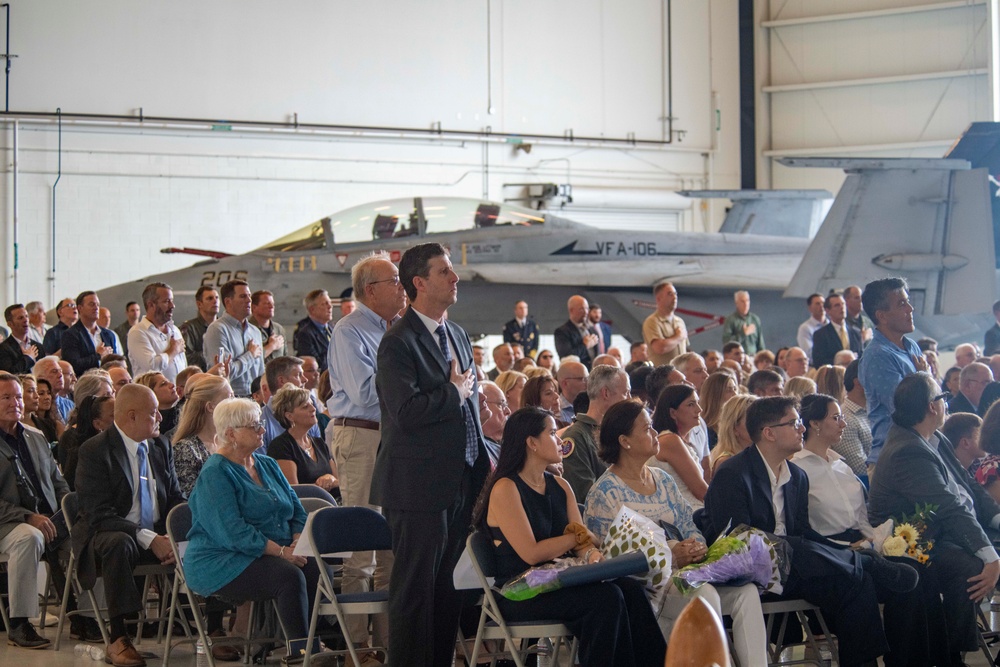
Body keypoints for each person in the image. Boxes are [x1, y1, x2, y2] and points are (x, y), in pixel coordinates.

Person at [703, 396, 916, 667]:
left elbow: (803, 530)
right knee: (795, 547)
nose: (802, 429)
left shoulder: (796, 476)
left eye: (801, 423)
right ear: (769, 433)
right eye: (793, 423)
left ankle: (862, 658)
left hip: (794, 567)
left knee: (855, 581)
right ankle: (864, 562)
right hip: (750, 566)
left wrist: (840, 549)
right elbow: (736, 539)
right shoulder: (734, 472)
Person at [369, 242, 489, 667]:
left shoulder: (455, 333)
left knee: (448, 589)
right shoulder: (397, 342)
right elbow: (404, 413)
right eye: (445, 272)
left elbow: (469, 403)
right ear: (419, 283)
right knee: (415, 594)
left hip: (460, 479)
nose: (455, 278)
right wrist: (453, 393)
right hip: (417, 485)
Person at [474, 406, 666, 667]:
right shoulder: (506, 487)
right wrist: (575, 538)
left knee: (630, 588)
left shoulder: (560, 485)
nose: (559, 440)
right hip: (520, 590)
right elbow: (531, 553)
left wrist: (591, 554)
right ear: (531, 443)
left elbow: (583, 542)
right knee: (606, 599)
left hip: (562, 579)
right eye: (552, 433)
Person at [585, 400, 767, 666]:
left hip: (686, 576)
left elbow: (689, 525)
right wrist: (670, 556)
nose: (656, 433)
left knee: (747, 594)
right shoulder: (605, 493)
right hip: (647, 587)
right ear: (625, 441)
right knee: (704, 597)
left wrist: (696, 546)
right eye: (647, 429)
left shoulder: (663, 480)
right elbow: (610, 558)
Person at [792, 392, 950, 667]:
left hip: (863, 543)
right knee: (882, 580)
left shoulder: (842, 465)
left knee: (918, 572)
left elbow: (860, 517)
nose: (843, 424)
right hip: (832, 550)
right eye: (836, 417)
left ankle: (915, 661)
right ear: (815, 424)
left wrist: (881, 539)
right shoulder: (798, 468)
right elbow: (800, 526)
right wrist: (848, 547)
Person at [183, 398, 336, 667]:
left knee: (317, 567)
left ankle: (314, 641)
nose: (262, 431)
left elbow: (296, 510)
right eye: (254, 426)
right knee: (287, 575)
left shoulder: (266, 464)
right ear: (230, 434)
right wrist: (281, 552)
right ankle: (302, 653)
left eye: (261, 424)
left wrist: (299, 539)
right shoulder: (215, 473)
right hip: (222, 558)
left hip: (270, 551)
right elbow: (232, 533)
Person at [869, 372, 1000, 663]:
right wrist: (991, 556)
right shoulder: (907, 450)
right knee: (969, 566)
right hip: (917, 542)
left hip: (950, 530)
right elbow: (948, 507)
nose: (946, 403)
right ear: (932, 406)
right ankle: (952, 654)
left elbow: (970, 487)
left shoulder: (934, 437)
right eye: (942, 397)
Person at [326, 251, 406, 660]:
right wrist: (409, 382)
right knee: (363, 544)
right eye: (394, 280)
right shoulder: (350, 330)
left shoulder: (395, 329)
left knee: (392, 544)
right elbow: (362, 392)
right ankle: (358, 646)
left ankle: (389, 642)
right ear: (370, 291)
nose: (402, 286)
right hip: (361, 437)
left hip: (391, 438)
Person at [71, 384, 186, 667]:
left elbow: (174, 497)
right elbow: (99, 514)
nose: (161, 418)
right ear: (132, 416)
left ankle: (216, 625)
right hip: (107, 534)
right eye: (154, 412)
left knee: (202, 534)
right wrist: (149, 538)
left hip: (156, 534)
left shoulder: (159, 447)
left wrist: (175, 532)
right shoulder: (95, 450)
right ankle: (119, 636)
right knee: (120, 543)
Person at [0, 372, 68, 649]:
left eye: (18, 396)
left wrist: (67, 510)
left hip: (48, 519)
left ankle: (89, 617)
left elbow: (58, 482)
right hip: (9, 523)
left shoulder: (36, 437)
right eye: (6, 397)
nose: (15, 402)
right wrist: (27, 517)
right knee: (29, 537)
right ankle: (20, 623)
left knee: (90, 535)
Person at [858, 277, 928, 473]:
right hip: (895, 460)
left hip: (919, 449)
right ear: (882, 316)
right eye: (902, 304)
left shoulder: (911, 346)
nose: (910, 309)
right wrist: (925, 377)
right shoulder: (877, 356)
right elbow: (906, 409)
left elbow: (935, 400)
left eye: (908, 302)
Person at [560, 365, 630, 502]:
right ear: (606, 393)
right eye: (626, 393)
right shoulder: (576, 437)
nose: (630, 399)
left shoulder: (619, 432)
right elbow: (585, 495)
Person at [268, 385, 339, 495]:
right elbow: (295, 491)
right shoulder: (281, 446)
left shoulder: (319, 443)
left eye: (312, 404)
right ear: (289, 416)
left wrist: (331, 479)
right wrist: (321, 485)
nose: (313, 409)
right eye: (305, 406)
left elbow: (339, 481)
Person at [171, 374, 234, 498]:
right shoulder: (186, 449)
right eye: (229, 398)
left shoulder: (229, 441)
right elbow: (194, 498)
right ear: (210, 407)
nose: (235, 403)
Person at [204, 279, 264, 398]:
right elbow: (224, 372)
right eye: (243, 296)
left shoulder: (255, 331)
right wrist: (250, 356)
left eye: (249, 296)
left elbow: (261, 371)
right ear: (228, 301)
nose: (249, 300)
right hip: (231, 399)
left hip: (255, 400)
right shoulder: (217, 329)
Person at [650, 384, 708, 509]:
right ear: (672, 412)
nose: (699, 409)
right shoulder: (670, 441)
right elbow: (701, 490)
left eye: (697, 403)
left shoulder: (677, 440)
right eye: (691, 404)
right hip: (686, 515)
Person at [128, 283, 188, 383]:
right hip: (152, 397)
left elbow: (183, 365)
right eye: (166, 301)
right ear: (151, 305)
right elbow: (151, 368)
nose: (172, 305)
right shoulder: (138, 333)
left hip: (178, 395)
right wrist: (173, 350)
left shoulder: (174, 330)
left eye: (172, 301)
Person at [60, 291, 121, 376]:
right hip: (85, 384)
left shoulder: (109, 334)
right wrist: (98, 356)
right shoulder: (71, 335)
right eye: (92, 304)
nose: (96, 308)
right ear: (80, 308)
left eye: (97, 304)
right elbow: (73, 365)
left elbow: (116, 363)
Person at [836, 359, 872, 478]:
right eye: (874, 377)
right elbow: (860, 468)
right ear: (859, 382)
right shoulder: (845, 419)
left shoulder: (874, 411)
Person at [640, 282, 687, 367]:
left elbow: (684, 349)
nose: (675, 297)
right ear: (659, 299)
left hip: (681, 374)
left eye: (675, 294)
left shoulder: (680, 321)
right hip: (663, 375)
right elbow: (659, 348)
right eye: (670, 294)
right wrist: (678, 337)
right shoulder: (652, 321)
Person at [708, 394, 756, 474]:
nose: (760, 425)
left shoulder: (757, 456)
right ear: (734, 428)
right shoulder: (726, 462)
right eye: (752, 420)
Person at [811, 293, 863, 368]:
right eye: (837, 305)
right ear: (828, 311)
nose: (842, 308)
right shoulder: (821, 334)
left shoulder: (856, 333)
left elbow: (861, 357)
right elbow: (818, 362)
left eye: (843, 304)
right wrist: (841, 361)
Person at [293, 289, 334, 374]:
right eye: (324, 304)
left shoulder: (333, 328)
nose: (330, 306)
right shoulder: (305, 334)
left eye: (329, 302)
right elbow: (314, 365)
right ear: (312, 309)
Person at [554, 295, 600, 369]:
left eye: (587, 309)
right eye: (581, 309)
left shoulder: (592, 330)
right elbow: (567, 357)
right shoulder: (562, 332)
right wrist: (585, 346)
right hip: (576, 373)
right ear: (571, 310)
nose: (586, 312)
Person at [181, 286, 219, 371]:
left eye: (217, 298)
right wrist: (211, 353)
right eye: (210, 298)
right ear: (199, 304)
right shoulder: (189, 328)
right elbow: (186, 357)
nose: (215, 301)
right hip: (201, 378)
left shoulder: (224, 327)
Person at [699, 371, 739, 449]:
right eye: (728, 390)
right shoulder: (704, 428)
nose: (735, 394)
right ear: (715, 395)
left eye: (735, 389)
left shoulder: (737, 423)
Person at [721, 290, 765, 356]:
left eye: (747, 300)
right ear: (736, 303)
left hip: (753, 357)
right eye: (742, 301)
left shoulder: (755, 319)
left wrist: (763, 356)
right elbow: (726, 342)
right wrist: (743, 334)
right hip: (737, 358)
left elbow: (760, 342)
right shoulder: (730, 320)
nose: (746, 304)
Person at [0, 304, 41, 373]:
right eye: (20, 318)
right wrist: (28, 358)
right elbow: (9, 374)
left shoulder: (38, 346)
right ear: (10, 324)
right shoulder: (3, 348)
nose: (26, 320)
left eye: (27, 316)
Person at [796, 293, 828, 364]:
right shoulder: (805, 328)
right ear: (810, 308)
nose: (821, 306)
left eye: (823, 303)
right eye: (817, 304)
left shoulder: (831, 325)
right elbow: (808, 353)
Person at [33, 377, 64, 442]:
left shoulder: (56, 425)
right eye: (41, 393)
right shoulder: (30, 424)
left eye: (49, 393)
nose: (47, 397)